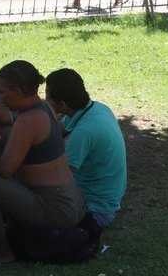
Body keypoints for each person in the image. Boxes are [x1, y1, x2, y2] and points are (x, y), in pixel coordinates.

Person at [0, 60, 86, 263]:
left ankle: (2, 251)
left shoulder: (29, 120)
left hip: (54, 208)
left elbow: (5, 169)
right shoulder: (44, 108)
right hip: (71, 202)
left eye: (1, 92)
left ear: (18, 91)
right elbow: (15, 139)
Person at [46, 69, 127, 229]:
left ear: (62, 104)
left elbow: (59, 177)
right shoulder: (96, 108)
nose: (45, 100)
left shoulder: (84, 133)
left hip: (97, 212)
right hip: (106, 201)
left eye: (48, 98)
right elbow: (57, 133)